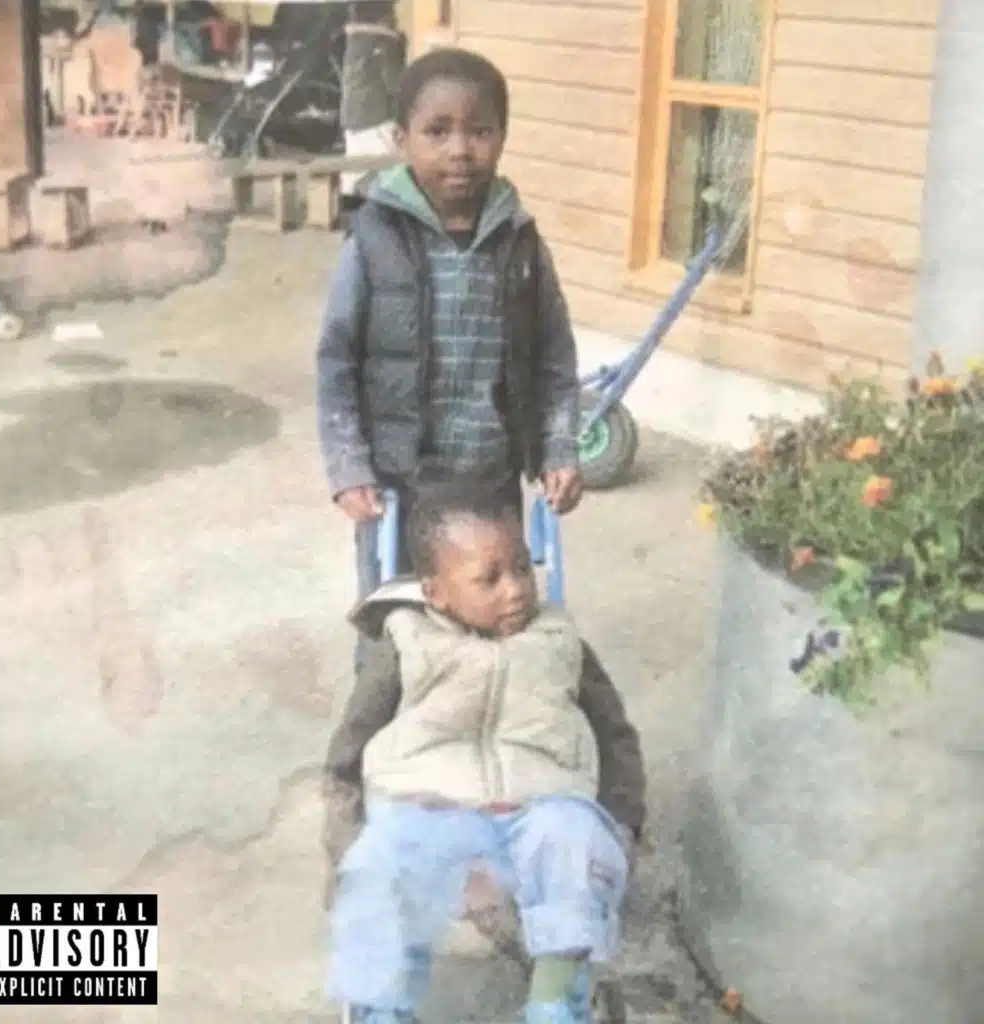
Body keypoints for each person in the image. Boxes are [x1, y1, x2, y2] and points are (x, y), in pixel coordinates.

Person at [322, 481, 646, 1024]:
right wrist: (344, 831)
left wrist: (624, 819)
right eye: (489, 579)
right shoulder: (406, 641)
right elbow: (352, 743)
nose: (515, 590)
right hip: (431, 804)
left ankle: (555, 1001)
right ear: (436, 593)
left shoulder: (558, 640)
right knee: (381, 867)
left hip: (539, 803)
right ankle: (380, 1007)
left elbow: (614, 731)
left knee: (575, 841)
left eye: (522, 568)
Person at [316, 46, 584, 607]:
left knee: (496, 609)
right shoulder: (373, 239)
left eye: (480, 131)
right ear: (401, 138)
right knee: (398, 616)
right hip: (400, 485)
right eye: (437, 132)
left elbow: (554, 357)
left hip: (492, 482)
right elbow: (337, 359)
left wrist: (558, 449)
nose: (460, 150)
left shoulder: (520, 241)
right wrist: (348, 466)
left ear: (503, 136)